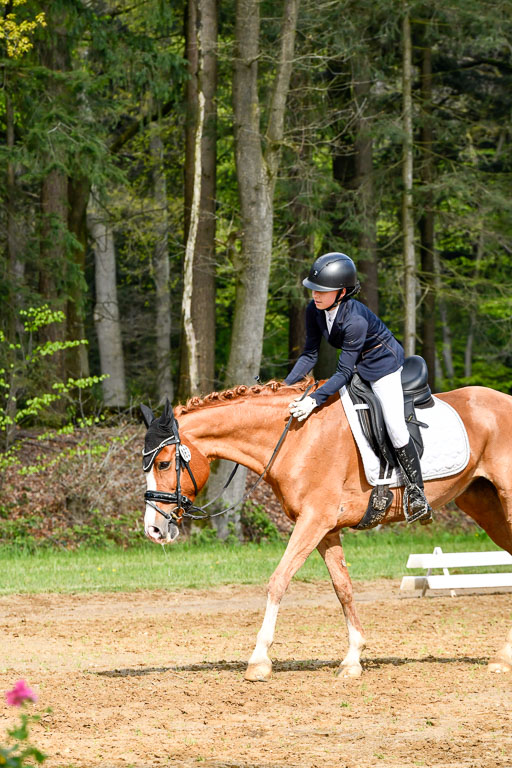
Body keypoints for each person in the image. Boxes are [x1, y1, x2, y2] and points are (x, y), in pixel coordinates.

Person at [285, 251, 432, 524]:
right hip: (357, 366)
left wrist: (314, 399)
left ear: (341, 292)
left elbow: (342, 372)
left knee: (395, 427)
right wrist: (284, 387)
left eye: (322, 290)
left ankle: (417, 493)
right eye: (313, 289)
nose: (315, 294)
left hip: (383, 366)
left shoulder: (355, 320)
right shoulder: (314, 310)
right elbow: (309, 355)